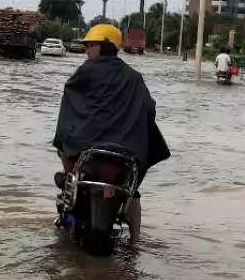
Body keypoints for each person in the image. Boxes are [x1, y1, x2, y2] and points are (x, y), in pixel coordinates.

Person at [53, 23, 170, 245]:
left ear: (105, 47)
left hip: (86, 149)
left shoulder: (87, 70)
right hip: (127, 153)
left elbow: (70, 96)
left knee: (62, 145)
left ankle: (69, 181)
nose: (87, 50)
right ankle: (135, 243)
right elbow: (149, 109)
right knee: (133, 193)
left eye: (91, 45)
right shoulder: (134, 77)